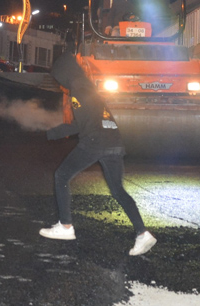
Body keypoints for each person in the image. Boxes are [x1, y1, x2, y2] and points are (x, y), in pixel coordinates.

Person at [39, 53, 157, 256]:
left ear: (64, 74)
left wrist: (52, 132)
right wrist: (54, 133)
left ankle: (65, 227)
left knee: (62, 175)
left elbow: (82, 125)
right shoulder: (89, 88)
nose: (60, 83)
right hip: (114, 140)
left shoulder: (77, 91)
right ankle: (142, 233)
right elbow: (85, 121)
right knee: (118, 190)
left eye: (58, 78)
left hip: (96, 141)